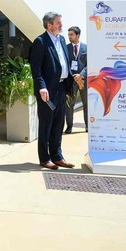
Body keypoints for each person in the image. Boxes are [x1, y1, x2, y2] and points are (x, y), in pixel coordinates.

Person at [29, 12, 78, 170]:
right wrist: (41, 86)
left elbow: (64, 62)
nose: (61, 25)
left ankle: (57, 156)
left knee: (58, 124)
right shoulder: (40, 42)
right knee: (46, 125)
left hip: (61, 88)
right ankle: (45, 158)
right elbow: (36, 69)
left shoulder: (62, 39)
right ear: (49, 25)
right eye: (58, 23)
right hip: (47, 90)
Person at [65, 26, 88, 134]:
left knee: (86, 103)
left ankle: (87, 126)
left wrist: (81, 75)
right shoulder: (66, 48)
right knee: (69, 104)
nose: (69, 36)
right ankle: (69, 126)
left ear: (77, 35)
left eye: (71, 34)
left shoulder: (86, 48)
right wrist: (73, 76)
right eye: (68, 34)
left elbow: (89, 64)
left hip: (83, 80)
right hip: (71, 80)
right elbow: (64, 64)